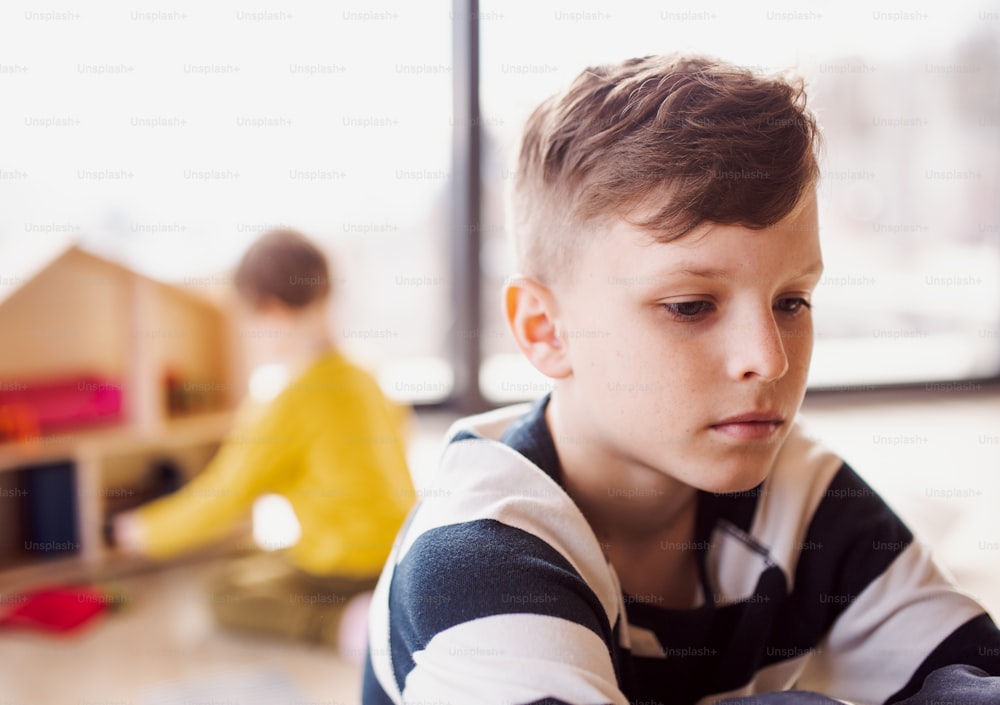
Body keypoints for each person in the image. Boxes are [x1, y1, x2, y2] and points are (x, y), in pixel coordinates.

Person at [363, 55, 1000, 704]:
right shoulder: (474, 555)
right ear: (546, 329)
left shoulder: (804, 496)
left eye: (791, 301)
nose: (768, 358)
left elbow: (975, 681)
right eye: (691, 306)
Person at [111, 228, 416, 649]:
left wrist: (142, 531)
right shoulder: (366, 374)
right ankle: (369, 604)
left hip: (346, 564)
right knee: (252, 556)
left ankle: (342, 626)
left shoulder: (286, 403)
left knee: (224, 593)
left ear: (271, 312)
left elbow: (221, 496)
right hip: (401, 551)